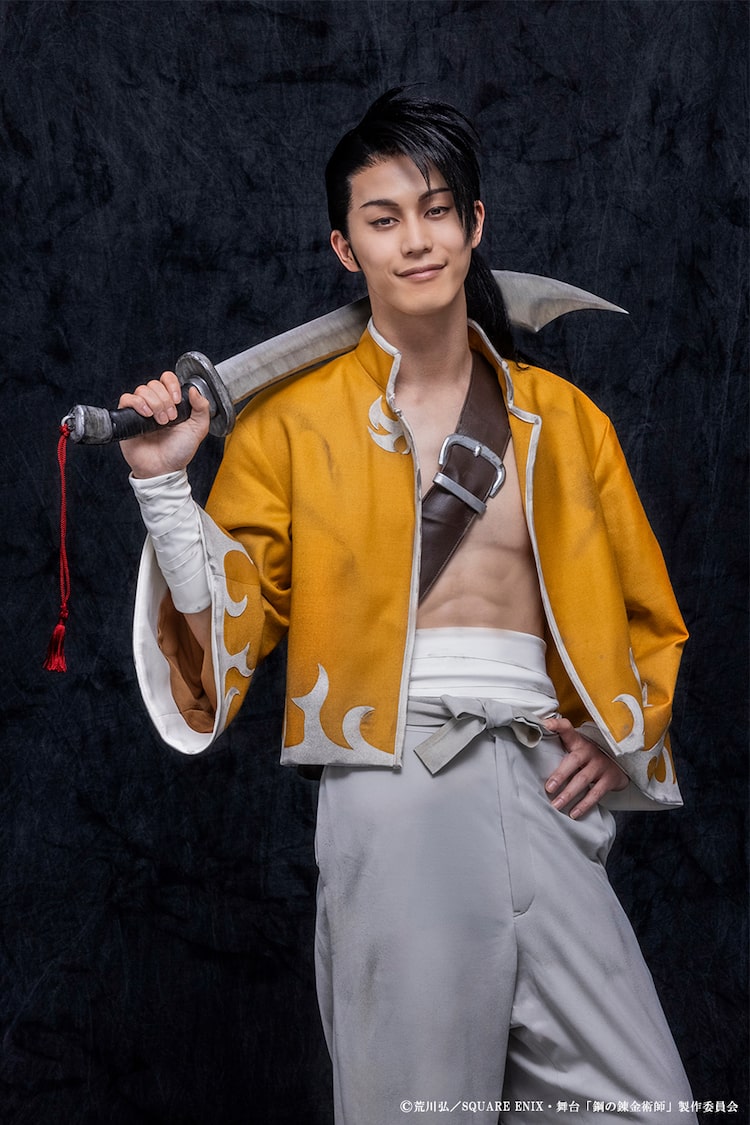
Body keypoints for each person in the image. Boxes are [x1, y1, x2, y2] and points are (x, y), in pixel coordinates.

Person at [119, 90, 696, 1124]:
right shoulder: (290, 428)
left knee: (644, 1104)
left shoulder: (566, 422)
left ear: (474, 224)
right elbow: (228, 633)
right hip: (391, 779)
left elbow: (648, 613)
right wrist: (166, 487)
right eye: (384, 220)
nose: (417, 241)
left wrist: (622, 733)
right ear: (346, 249)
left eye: (436, 211)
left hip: (547, 785)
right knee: (415, 1105)